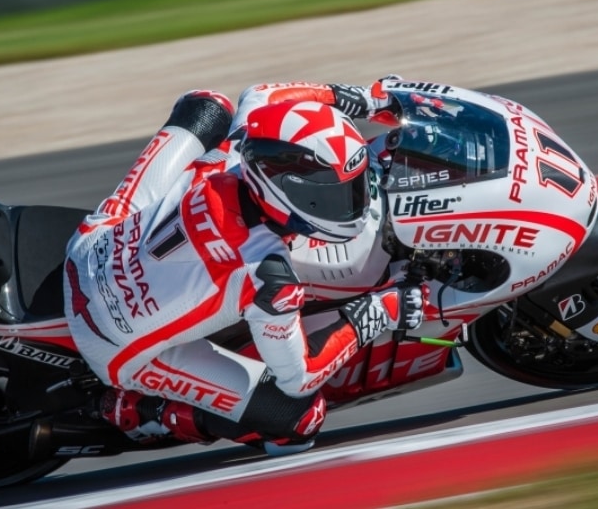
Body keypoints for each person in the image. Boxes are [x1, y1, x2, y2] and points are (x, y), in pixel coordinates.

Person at [62, 78, 422, 455]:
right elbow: (299, 377)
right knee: (299, 419)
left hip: (92, 244)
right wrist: (380, 311)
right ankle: (145, 410)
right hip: (112, 341)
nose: (355, 204)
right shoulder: (268, 274)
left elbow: (261, 94)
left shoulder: (241, 151)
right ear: (289, 192)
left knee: (207, 105)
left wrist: (365, 100)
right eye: (335, 196)